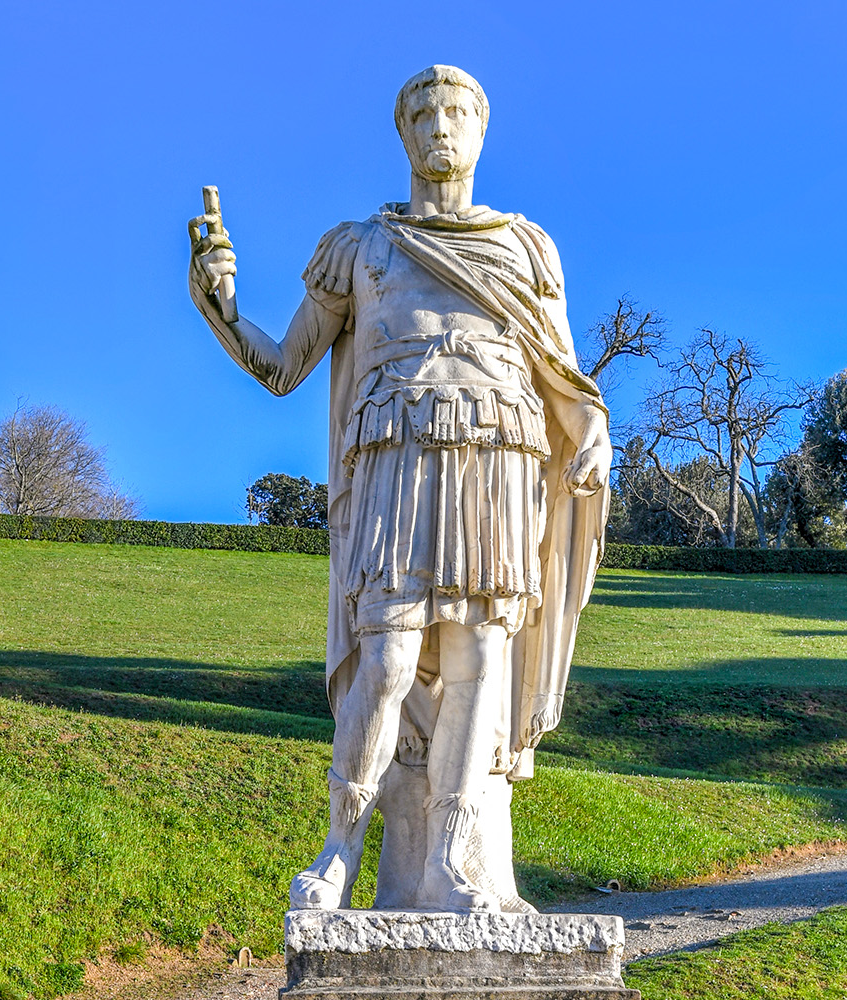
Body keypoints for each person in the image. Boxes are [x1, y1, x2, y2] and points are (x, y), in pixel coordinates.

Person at [188, 65, 610, 913]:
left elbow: (567, 377)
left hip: (499, 461)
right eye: (421, 113)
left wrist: (594, 433)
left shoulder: (526, 248)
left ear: (480, 131)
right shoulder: (362, 247)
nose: (439, 125)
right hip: (395, 458)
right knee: (383, 661)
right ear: (403, 134)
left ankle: (457, 865)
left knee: (480, 659)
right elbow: (283, 366)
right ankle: (339, 848)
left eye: (456, 111)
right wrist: (222, 308)